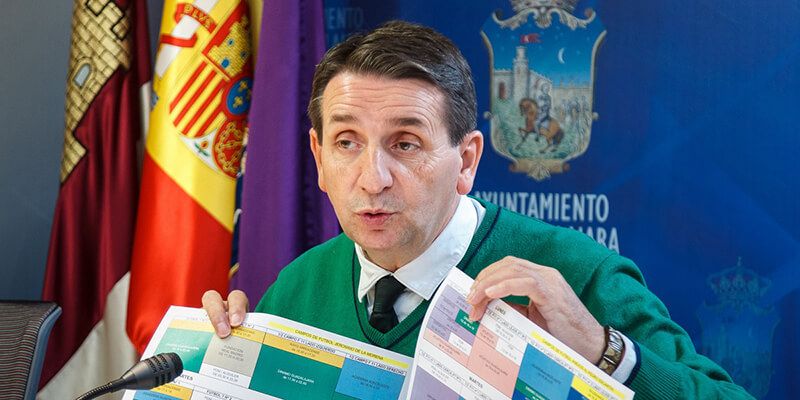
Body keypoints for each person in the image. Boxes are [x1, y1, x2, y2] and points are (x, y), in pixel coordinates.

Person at [202, 21, 753, 399]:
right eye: (347, 143)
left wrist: (599, 350)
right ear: (319, 159)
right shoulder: (296, 289)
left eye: (405, 144)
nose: (372, 179)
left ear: (465, 161)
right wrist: (220, 366)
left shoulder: (574, 272)